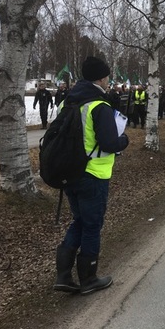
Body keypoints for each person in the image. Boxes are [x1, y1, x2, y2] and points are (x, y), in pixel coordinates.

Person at [54, 56, 129, 295]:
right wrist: (123, 141)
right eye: (107, 76)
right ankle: (89, 278)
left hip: (69, 174)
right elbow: (108, 143)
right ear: (101, 78)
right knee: (92, 225)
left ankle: (64, 275)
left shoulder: (68, 102)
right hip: (93, 175)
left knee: (80, 220)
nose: (108, 81)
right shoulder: (99, 106)